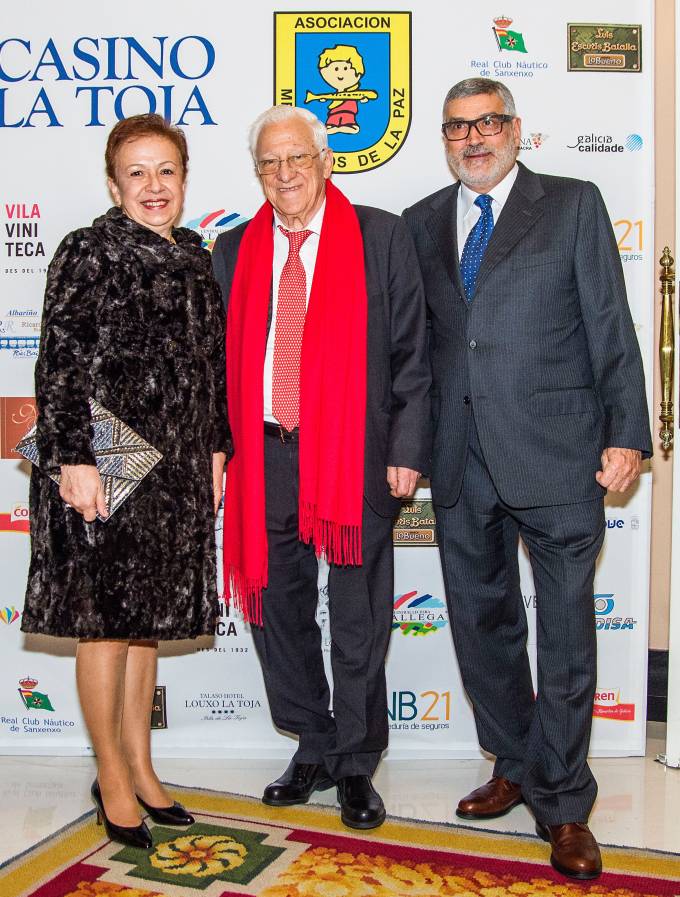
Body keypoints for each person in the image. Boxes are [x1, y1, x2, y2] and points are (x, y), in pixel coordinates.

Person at [402, 78, 651, 880]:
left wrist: (626, 433)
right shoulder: (420, 222)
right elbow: (418, 350)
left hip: (558, 451)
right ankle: (514, 761)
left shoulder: (572, 204)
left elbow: (609, 321)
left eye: (488, 122)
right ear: (445, 138)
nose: (473, 138)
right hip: (460, 458)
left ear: (516, 129)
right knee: (483, 625)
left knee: (567, 633)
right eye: (457, 127)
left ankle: (566, 801)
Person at [212, 105, 430, 830]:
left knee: (359, 613)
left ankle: (356, 760)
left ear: (325, 162)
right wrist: (217, 449)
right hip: (264, 453)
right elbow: (215, 367)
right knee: (277, 608)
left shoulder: (379, 235)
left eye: (297, 158)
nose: (285, 174)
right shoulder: (232, 249)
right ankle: (312, 740)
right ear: (258, 173)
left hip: (354, 453)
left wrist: (406, 449)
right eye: (270, 163)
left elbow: (412, 353)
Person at [21, 113, 229, 849]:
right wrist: (72, 460)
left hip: (175, 472)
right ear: (114, 184)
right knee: (105, 625)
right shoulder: (89, 250)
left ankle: (141, 764)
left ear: (184, 179)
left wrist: (216, 447)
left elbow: (211, 366)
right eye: (136, 172)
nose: (153, 185)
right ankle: (110, 774)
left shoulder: (196, 256)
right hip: (106, 467)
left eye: (166, 170)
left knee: (147, 627)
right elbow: (60, 363)